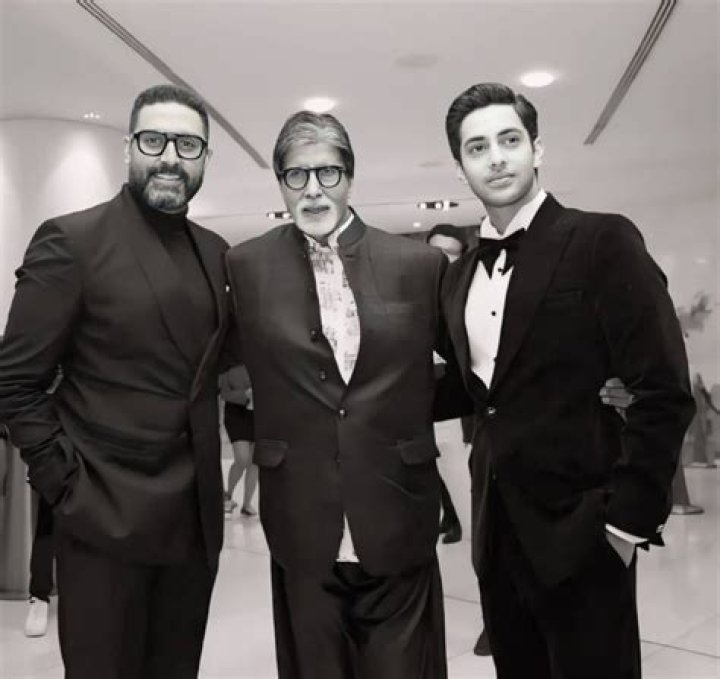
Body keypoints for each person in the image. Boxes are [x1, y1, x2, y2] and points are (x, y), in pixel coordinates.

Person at [438, 82, 695, 678]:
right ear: (460, 167)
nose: (496, 158)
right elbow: (471, 390)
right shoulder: (457, 277)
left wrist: (625, 524)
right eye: (477, 148)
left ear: (537, 149)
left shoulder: (602, 239)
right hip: (497, 533)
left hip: (586, 530)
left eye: (509, 140)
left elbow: (663, 389)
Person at [0, 84, 230, 679]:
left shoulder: (216, 252)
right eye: (154, 141)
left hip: (193, 526)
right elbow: (15, 381)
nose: (170, 157)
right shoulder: (72, 240)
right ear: (129, 147)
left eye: (188, 145)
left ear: (205, 157)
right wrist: (64, 484)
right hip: (102, 518)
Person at [226, 111, 448, 678]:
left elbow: (473, 373)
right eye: (296, 175)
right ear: (280, 181)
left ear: (350, 176)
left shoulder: (418, 265)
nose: (313, 190)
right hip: (300, 519)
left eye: (327, 172)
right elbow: (213, 361)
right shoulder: (245, 267)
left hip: (398, 510)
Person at [426, 224, 490, 657]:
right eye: (435, 252)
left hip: (461, 428)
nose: (441, 261)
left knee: (478, 528)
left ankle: (495, 617)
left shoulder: (472, 301)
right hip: (409, 429)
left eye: (450, 253)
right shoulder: (408, 303)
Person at [219, 364, 258, 515]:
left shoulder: (263, 361)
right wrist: (245, 394)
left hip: (259, 414)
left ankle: (247, 504)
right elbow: (224, 393)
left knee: (255, 462)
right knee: (242, 458)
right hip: (236, 414)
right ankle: (228, 493)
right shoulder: (229, 364)